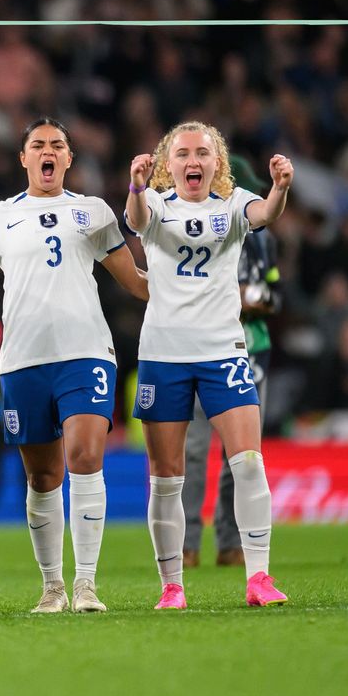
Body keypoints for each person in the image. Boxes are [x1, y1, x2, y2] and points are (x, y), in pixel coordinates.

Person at [0, 118, 149, 615]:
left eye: (57, 145)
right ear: (23, 159)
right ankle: (52, 587)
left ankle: (85, 584)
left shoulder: (93, 212)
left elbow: (137, 282)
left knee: (84, 456)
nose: (47, 151)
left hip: (85, 353)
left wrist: (194, 285)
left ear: (68, 159)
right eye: (37, 145)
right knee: (42, 478)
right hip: (22, 362)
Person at [125, 121, 292, 610]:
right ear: (166, 164)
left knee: (248, 461)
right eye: (182, 154)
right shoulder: (155, 203)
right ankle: (172, 586)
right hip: (163, 354)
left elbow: (265, 214)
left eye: (202, 153)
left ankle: (258, 576)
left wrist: (280, 188)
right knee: (167, 475)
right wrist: (136, 185)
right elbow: (135, 220)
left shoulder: (233, 203)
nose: (192, 161)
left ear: (216, 162)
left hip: (223, 350)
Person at [181, 155, 282, 568]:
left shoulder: (263, 239)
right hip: (196, 347)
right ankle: (186, 544)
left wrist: (257, 301)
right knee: (191, 451)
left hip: (250, 347)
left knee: (238, 455)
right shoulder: (192, 225)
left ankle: (230, 542)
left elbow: (274, 296)